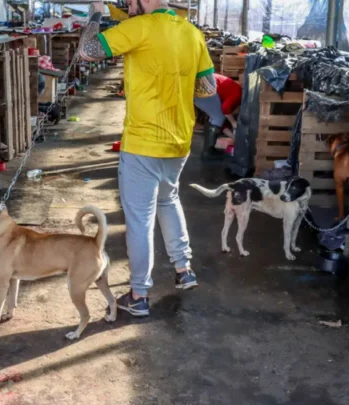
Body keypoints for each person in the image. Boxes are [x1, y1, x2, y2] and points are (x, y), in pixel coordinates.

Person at [78, 0, 217, 317]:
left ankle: (139, 294)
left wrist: (97, 12)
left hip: (143, 142)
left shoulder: (138, 28)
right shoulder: (192, 33)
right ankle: (184, 270)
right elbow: (207, 87)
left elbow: (87, 50)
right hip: (179, 140)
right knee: (169, 200)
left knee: (139, 219)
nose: (127, 4)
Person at [194, 73, 242, 159]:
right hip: (203, 85)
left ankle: (209, 151)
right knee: (218, 116)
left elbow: (220, 121)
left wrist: (234, 137)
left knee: (216, 117)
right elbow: (225, 109)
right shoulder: (238, 95)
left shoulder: (227, 95)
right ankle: (208, 153)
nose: (233, 114)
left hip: (200, 85)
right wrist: (233, 122)